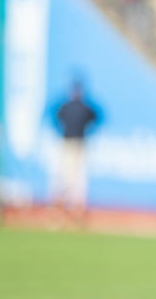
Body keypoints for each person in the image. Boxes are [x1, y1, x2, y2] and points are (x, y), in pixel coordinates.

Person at [52, 78, 102, 224]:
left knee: (77, 179)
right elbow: (56, 117)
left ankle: (76, 212)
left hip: (79, 144)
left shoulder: (83, 107)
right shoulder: (68, 106)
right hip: (68, 143)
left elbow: (97, 118)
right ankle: (61, 210)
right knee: (65, 177)